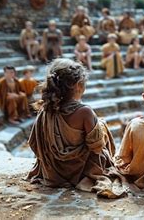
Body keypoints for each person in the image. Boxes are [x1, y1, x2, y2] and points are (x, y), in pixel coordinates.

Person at [27, 59, 124, 198]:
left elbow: (34, 143)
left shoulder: (45, 109)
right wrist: (100, 127)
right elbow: (97, 148)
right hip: (81, 171)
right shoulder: (85, 112)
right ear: (79, 85)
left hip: (53, 172)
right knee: (101, 126)